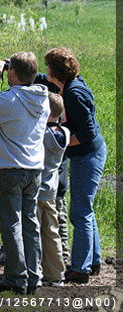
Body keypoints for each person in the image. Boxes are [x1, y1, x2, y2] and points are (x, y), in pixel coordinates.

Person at [0, 52, 50, 295]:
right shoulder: (42, 98)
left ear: (12, 72)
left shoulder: (10, 100)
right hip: (34, 170)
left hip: (8, 171)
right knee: (29, 225)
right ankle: (33, 277)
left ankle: (16, 278)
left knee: (11, 226)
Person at [35, 47, 107, 283]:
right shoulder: (69, 83)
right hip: (84, 155)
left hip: (87, 156)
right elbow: (41, 79)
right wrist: (11, 67)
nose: (46, 72)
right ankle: (93, 260)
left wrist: (59, 144)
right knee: (85, 209)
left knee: (80, 212)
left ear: (56, 72)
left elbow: (86, 133)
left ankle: (80, 269)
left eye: (48, 67)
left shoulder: (74, 95)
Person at [37, 93, 71, 287]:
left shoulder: (41, 134)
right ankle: (57, 273)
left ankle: (37, 271)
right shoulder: (64, 133)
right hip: (52, 188)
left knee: (34, 232)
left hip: (36, 188)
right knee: (52, 231)